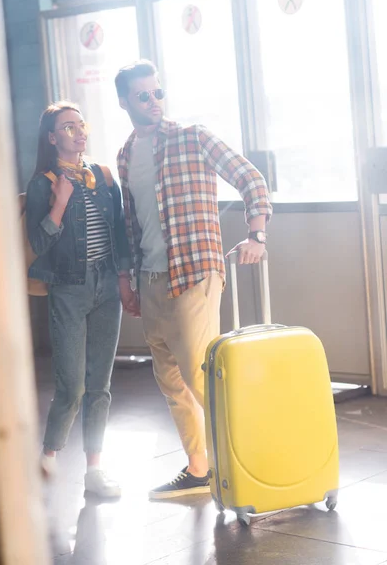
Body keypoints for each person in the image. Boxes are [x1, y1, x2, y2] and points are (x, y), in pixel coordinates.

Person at [115, 60, 272, 500]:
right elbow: (131, 222)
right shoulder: (125, 154)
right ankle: (199, 468)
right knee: (171, 381)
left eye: (158, 92)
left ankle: (255, 460)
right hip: (151, 278)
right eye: (143, 95)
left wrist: (256, 233)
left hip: (195, 271)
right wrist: (128, 279)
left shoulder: (193, 137)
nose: (154, 101)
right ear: (124, 101)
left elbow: (250, 178)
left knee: (202, 375)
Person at [26, 101, 130, 498]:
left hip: (107, 286)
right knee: (71, 386)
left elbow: (119, 235)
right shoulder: (43, 183)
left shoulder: (102, 176)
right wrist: (59, 201)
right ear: (52, 138)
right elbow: (38, 242)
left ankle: (94, 472)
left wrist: (124, 279)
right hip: (68, 287)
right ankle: (47, 461)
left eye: (80, 124)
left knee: (100, 385)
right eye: (68, 127)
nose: (78, 131)